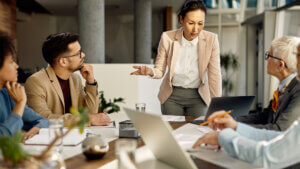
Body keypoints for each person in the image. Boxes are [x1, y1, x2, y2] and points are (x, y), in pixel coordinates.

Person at [193, 40, 300, 169]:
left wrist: (225, 137)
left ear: (281, 64)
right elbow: (274, 128)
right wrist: (235, 125)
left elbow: (270, 150)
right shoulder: (282, 88)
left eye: (268, 55)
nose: (296, 62)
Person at [131, 0, 221, 116]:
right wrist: (151, 72)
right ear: (181, 19)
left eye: (200, 23)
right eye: (191, 23)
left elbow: (215, 75)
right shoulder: (167, 38)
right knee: (173, 132)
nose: (196, 29)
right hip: (172, 96)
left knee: (196, 132)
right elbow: (159, 70)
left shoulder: (211, 40)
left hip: (199, 97)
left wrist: (217, 106)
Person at [25, 33, 110, 126]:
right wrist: (86, 119)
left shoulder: (75, 79)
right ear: (63, 61)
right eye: (79, 53)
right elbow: (44, 118)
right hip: (51, 139)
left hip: (74, 136)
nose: (83, 55)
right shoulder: (36, 82)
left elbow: (90, 113)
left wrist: (91, 83)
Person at [237, 36, 300, 131]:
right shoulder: (284, 86)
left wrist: (236, 128)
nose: (266, 59)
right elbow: (265, 116)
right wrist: (233, 120)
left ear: (280, 65)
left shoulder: (297, 90)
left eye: (269, 55)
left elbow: (279, 130)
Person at [0, 31, 49, 139]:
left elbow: (43, 121)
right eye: (11, 61)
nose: (17, 66)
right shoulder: (15, 97)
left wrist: (37, 128)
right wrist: (20, 103)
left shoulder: (8, 94)